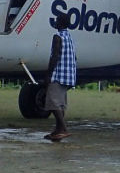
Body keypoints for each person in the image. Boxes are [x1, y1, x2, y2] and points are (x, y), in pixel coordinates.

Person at [44, 13, 77, 142]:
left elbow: (55, 56)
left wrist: (48, 74)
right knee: (61, 104)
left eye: (57, 20)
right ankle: (57, 131)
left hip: (58, 74)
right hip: (68, 75)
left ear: (61, 23)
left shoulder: (57, 37)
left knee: (53, 103)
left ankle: (63, 128)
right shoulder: (69, 36)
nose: (55, 22)